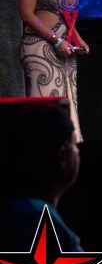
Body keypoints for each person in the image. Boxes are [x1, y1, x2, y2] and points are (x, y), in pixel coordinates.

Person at [18, 0, 89, 142]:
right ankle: (45, 155)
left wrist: (77, 39)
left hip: (64, 50)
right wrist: (56, 40)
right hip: (41, 48)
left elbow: (65, 15)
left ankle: (70, 153)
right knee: (48, 105)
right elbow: (26, 14)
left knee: (68, 103)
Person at [0, 99, 82, 251]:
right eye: (75, 145)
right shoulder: (35, 218)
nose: (78, 152)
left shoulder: (18, 212)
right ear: (63, 157)